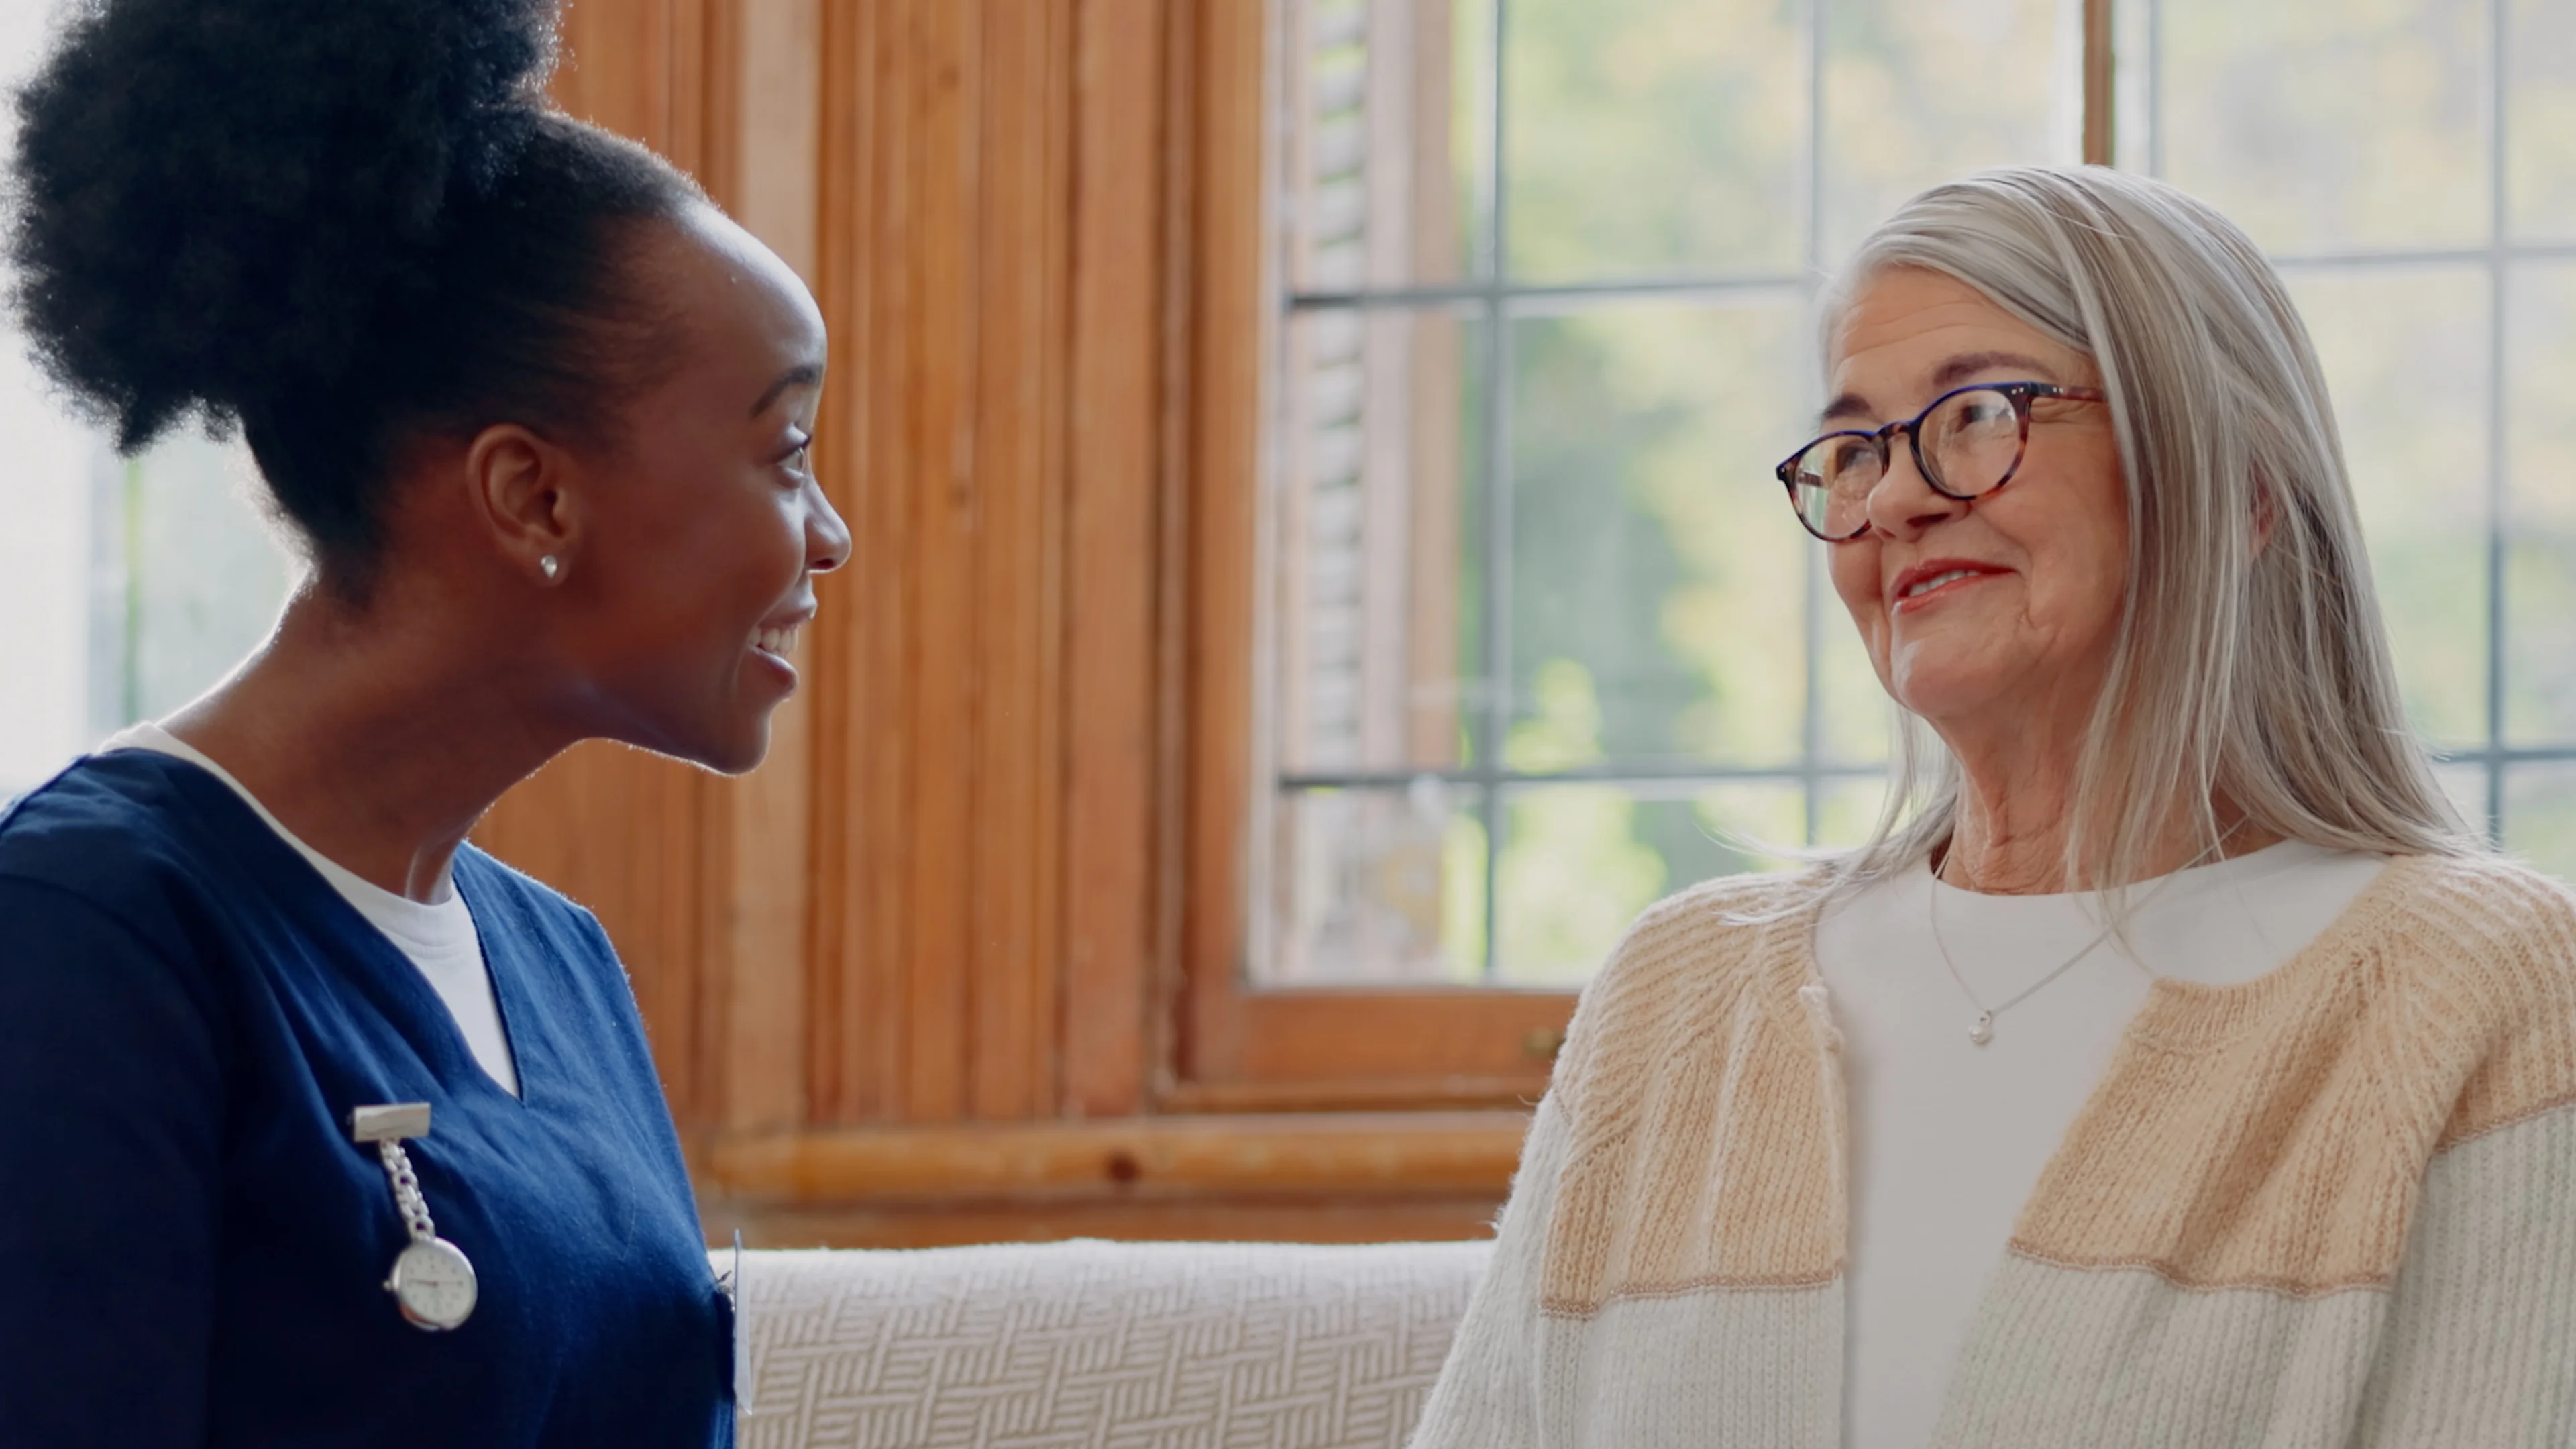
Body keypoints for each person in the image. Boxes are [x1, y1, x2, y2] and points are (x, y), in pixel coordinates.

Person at [1409, 166, 2576, 1447]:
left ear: (2237, 486)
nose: (1896, 499)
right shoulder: (1677, 993)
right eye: (1854, 450)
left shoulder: (2477, 985)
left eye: (1975, 414)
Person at [0, 0, 847, 1443]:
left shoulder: (561, 963)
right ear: (533, 497)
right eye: (783, 451)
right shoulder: (86, 935)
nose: (824, 537)